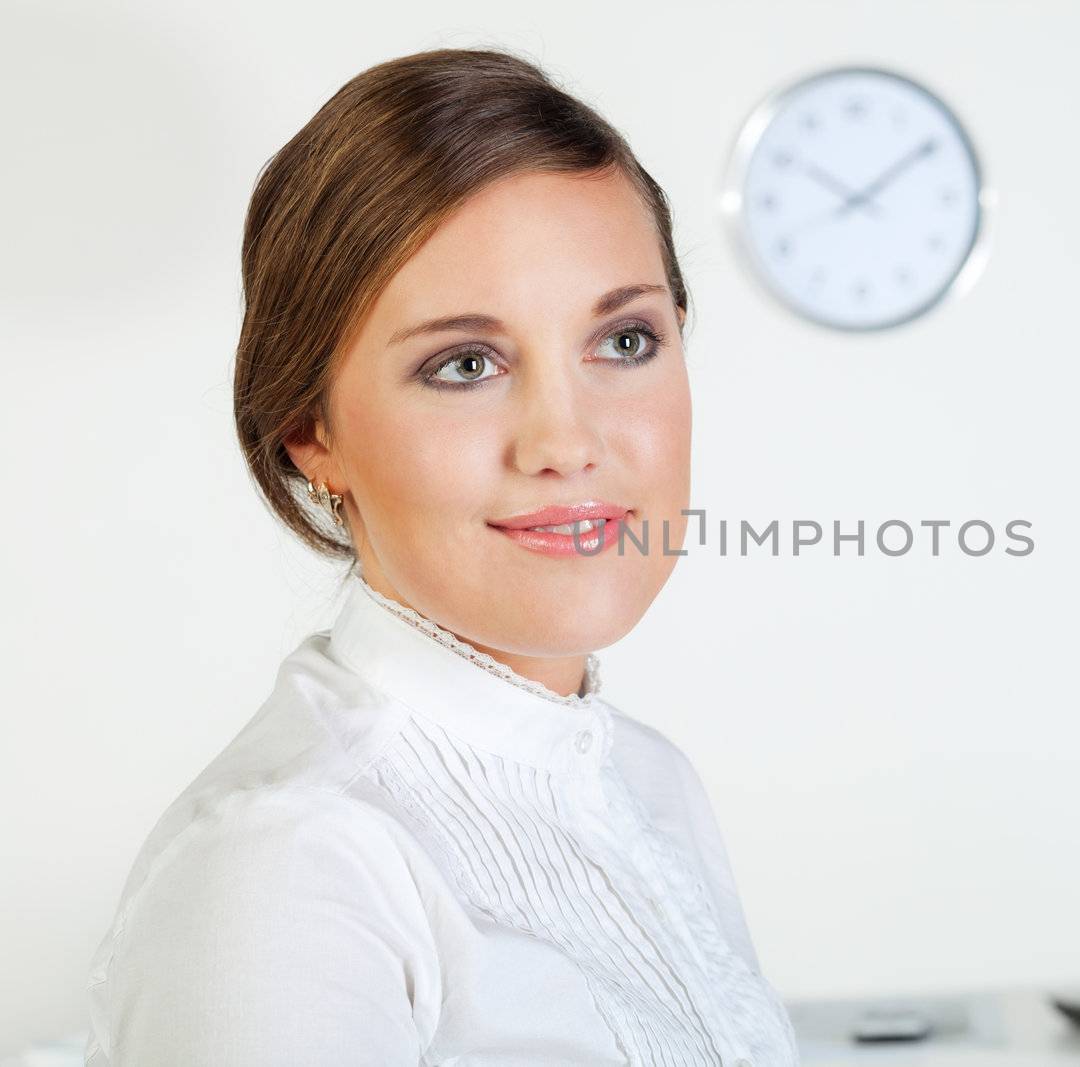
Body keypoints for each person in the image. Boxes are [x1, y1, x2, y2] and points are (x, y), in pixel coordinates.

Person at [84, 45, 799, 1066]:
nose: (567, 441)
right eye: (465, 364)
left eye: (625, 341)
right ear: (308, 426)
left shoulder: (654, 785)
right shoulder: (290, 865)